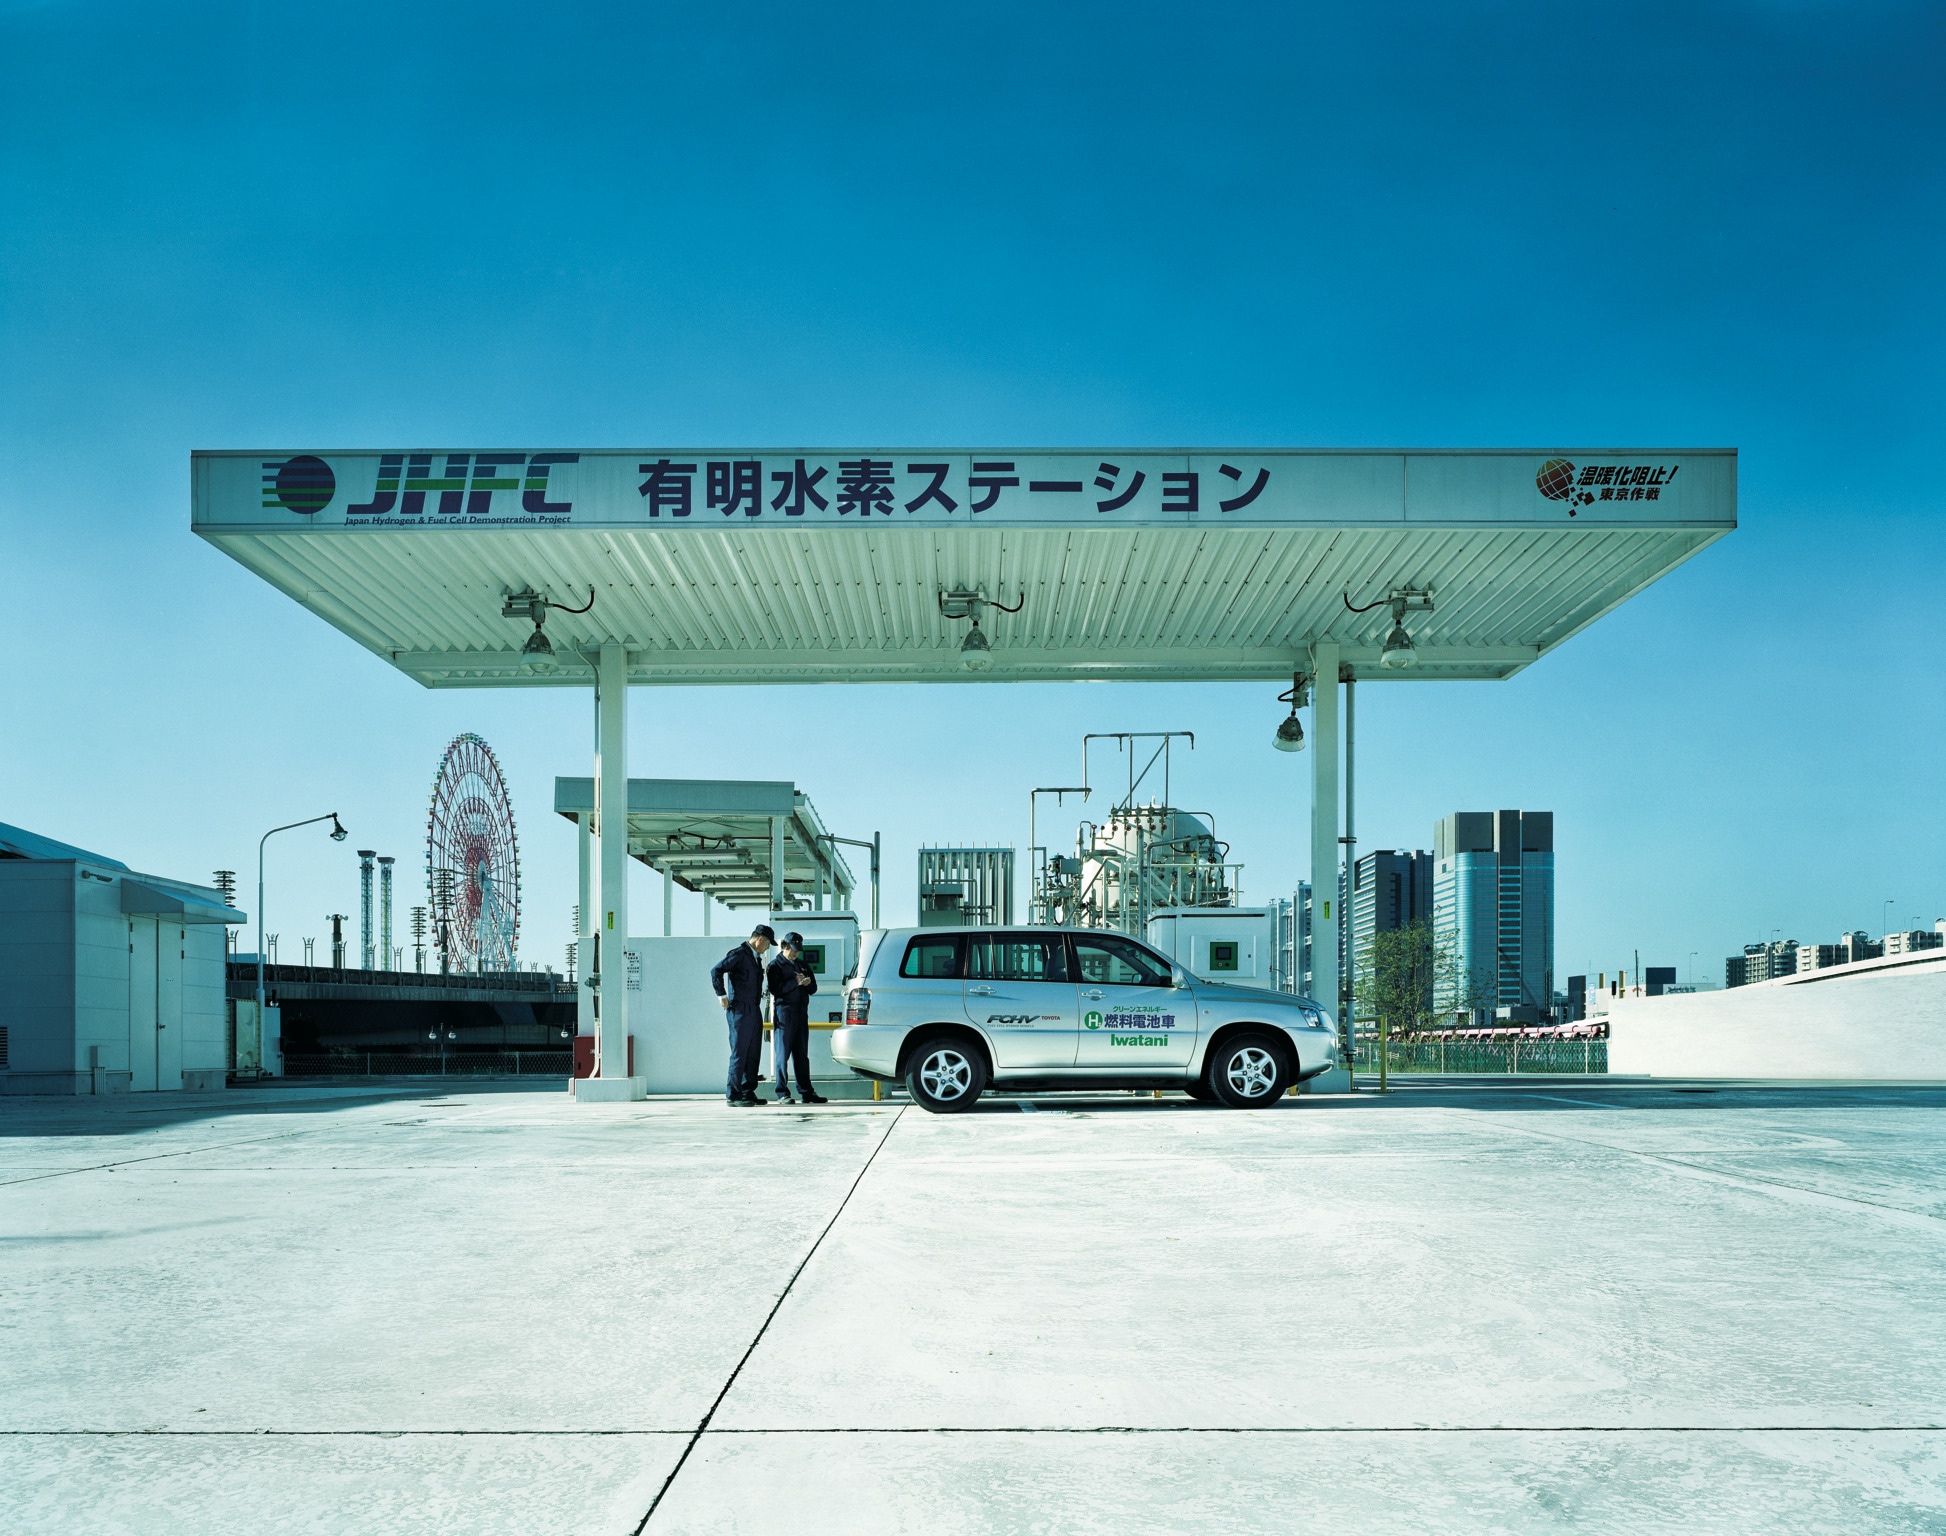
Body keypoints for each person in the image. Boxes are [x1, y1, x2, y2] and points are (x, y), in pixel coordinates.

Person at [711, 923, 775, 1106]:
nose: (768, 948)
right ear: (760, 939)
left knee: (753, 1052)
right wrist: (721, 995)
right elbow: (716, 970)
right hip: (739, 1010)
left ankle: (748, 1091)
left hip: (754, 1009)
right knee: (739, 1053)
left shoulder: (756, 958)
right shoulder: (738, 954)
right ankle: (734, 1094)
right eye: (768, 943)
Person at [767, 932, 827, 1104]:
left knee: (801, 1055)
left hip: (801, 1013)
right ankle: (782, 1092)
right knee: (782, 1054)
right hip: (785, 1013)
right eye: (793, 950)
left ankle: (806, 1092)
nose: (796, 953)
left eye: (798, 950)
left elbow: (813, 988)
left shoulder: (802, 964)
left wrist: (808, 984)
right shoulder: (775, 966)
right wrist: (795, 982)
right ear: (784, 946)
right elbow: (775, 989)